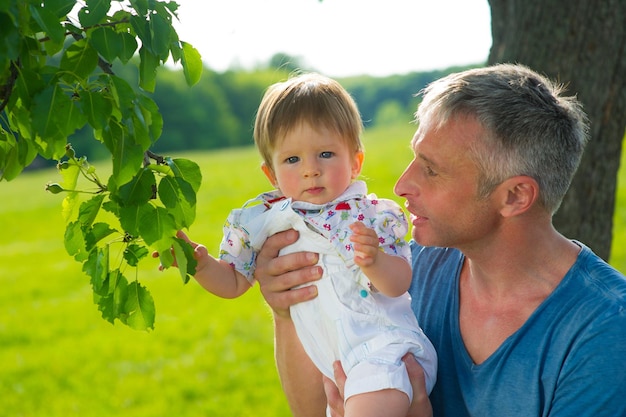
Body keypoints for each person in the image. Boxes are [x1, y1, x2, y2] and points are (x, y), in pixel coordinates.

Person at [254, 63, 626, 417]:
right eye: (414, 157)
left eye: (431, 171)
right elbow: (317, 407)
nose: (402, 186)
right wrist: (289, 310)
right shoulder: (407, 266)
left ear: (514, 197)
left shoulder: (605, 333)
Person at [165, 73, 437, 417]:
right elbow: (233, 282)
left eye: (325, 154)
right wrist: (200, 265)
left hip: (384, 349)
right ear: (271, 174)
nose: (311, 170)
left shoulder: (371, 216)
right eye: (292, 159)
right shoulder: (261, 220)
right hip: (336, 363)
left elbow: (399, 285)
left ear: (355, 162)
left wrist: (374, 261)